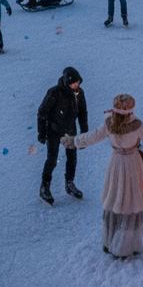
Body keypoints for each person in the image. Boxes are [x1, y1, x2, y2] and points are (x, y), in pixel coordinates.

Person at [61, 93, 143, 259]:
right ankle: (126, 246)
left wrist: (73, 141)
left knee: (116, 201)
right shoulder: (136, 126)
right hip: (132, 165)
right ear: (130, 110)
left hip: (116, 164)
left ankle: (110, 242)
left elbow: (91, 137)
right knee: (130, 203)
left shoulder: (109, 124)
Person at [38, 67, 88, 205]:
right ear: (66, 82)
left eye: (77, 82)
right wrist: (42, 132)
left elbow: (83, 113)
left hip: (70, 129)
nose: (76, 85)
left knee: (72, 157)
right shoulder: (54, 92)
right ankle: (44, 186)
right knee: (52, 159)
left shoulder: (80, 94)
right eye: (73, 83)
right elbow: (42, 112)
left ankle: (69, 183)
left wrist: (84, 134)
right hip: (53, 130)